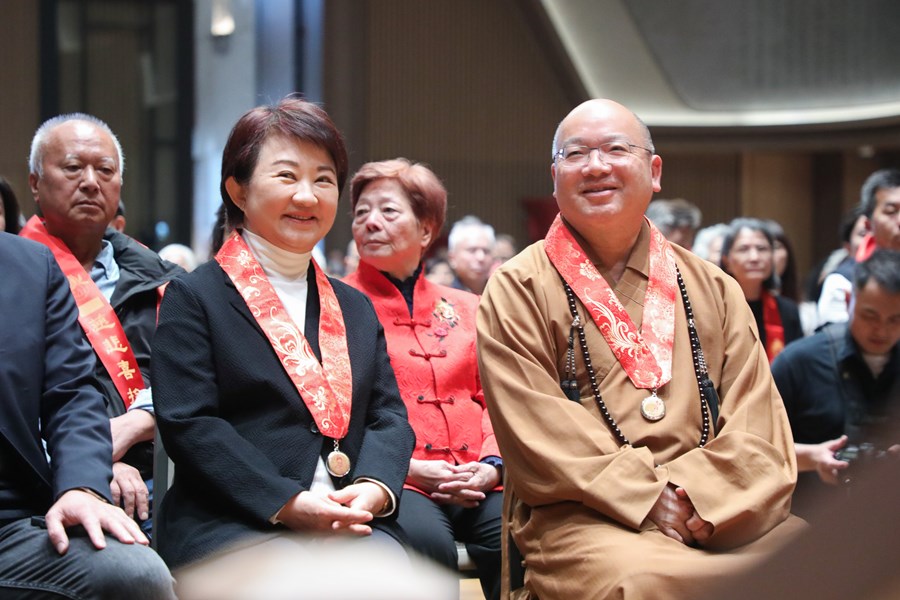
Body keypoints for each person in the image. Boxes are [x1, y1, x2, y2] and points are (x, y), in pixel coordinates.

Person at [476, 99, 802, 600]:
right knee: (645, 584)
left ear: (654, 172)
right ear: (555, 175)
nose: (596, 165)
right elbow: (536, 428)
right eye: (576, 153)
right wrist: (646, 496)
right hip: (587, 518)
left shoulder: (713, 287)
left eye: (615, 149)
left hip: (713, 510)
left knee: (823, 560)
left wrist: (694, 499)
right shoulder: (518, 286)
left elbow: (758, 423)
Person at [150, 97, 417, 597]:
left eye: (323, 179)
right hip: (232, 519)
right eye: (286, 176)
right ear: (238, 188)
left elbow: (389, 417)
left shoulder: (354, 306)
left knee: (396, 577)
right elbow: (190, 422)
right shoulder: (195, 296)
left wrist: (373, 489)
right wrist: (287, 502)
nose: (307, 196)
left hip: (346, 514)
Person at [344, 158, 502, 600]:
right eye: (361, 213)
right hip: (396, 478)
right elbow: (337, 411)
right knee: (427, 547)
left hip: (476, 474)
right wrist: (405, 468)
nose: (371, 222)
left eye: (388, 211)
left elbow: (496, 398)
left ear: (427, 230)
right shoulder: (337, 306)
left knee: (519, 533)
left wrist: (491, 468)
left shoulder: (467, 306)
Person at [20, 113, 183, 537]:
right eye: (73, 167)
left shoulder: (165, 281)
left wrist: (135, 425)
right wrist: (93, 464)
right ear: (35, 182)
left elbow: (195, 380)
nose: (91, 182)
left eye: (105, 170)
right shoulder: (11, 277)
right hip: (42, 481)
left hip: (158, 472)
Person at [0, 232, 175, 599]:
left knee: (136, 572)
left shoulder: (30, 266)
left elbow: (71, 395)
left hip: (11, 524)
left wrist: (81, 484)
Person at [771, 249, 900, 520]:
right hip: (809, 524)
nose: (882, 330)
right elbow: (752, 445)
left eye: (896, 320)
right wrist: (811, 458)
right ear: (849, 300)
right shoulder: (799, 361)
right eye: (870, 316)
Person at [720, 218, 803, 363]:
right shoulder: (716, 309)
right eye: (744, 249)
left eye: (762, 249)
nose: (754, 257)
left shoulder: (788, 311)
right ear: (727, 261)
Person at [815, 206, 868, 327]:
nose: (871, 239)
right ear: (847, 246)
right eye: (863, 233)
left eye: (876, 231)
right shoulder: (839, 282)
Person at [447, 215, 495, 294]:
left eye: (486, 251)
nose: (481, 257)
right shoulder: (442, 300)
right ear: (452, 258)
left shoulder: (501, 295)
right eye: (472, 250)